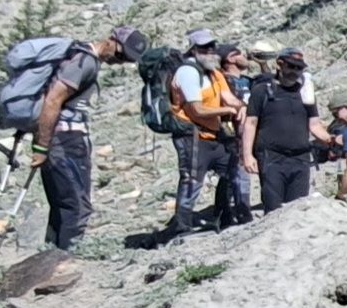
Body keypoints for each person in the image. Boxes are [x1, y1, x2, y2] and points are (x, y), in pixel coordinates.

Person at [31, 26, 147, 250]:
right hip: (65, 140)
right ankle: (65, 260)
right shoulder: (84, 62)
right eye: (121, 55)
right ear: (112, 40)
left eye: (127, 60)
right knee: (77, 207)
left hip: (61, 140)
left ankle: (49, 258)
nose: (121, 61)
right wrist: (42, 146)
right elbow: (53, 100)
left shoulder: (80, 57)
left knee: (62, 205)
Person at [169, 29, 243, 238]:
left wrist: (242, 107)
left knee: (230, 171)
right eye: (204, 47)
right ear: (194, 50)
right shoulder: (188, 72)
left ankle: (223, 216)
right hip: (191, 134)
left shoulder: (214, 72)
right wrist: (228, 111)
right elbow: (196, 109)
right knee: (192, 179)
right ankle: (181, 226)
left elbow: (228, 97)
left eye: (212, 47)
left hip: (213, 133)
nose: (210, 51)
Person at [239, 48, 330, 212]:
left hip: (300, 158)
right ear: (279, 64)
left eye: (299, 68)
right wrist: (247, 155)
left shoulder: (306, 94)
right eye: (291, 66)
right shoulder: (262, 90)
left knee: (297, 209)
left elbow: (314, 125)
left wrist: (331, 139)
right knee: (273, 207)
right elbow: (250, 123)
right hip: (271, 157)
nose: (295, 71)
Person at [216, 43, 254, 228]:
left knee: (243, 173)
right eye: (239, 53)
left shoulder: (247, 80)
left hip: (250, 133)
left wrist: (263, 63)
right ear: (230, 59)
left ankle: (240, 210)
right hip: (231, 134)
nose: (244, 55)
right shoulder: (222, 81)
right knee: (235, 174)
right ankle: (234, 213)